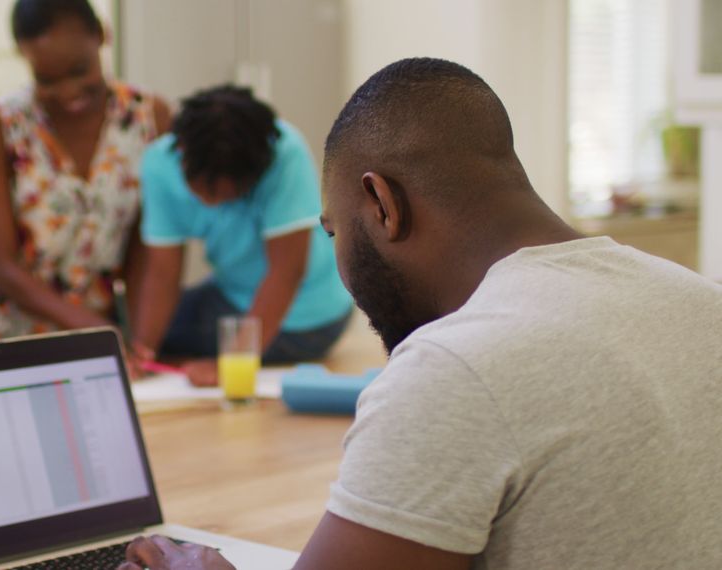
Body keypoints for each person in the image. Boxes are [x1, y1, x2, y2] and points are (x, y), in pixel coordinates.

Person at [120, 58, 722, 569]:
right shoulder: (703, 301)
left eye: (333, 231)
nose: (338, 259)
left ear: (382, 204)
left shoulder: (455, 369)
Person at [0, 0, 171, 341]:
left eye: (79, 70)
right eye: (46, 79)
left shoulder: (148, 118)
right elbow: (4, 266)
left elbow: (143, 248)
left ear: (101, 35)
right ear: (23, 54)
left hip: (90, 336)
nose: (68, 92)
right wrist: (95, 330)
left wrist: (139, 342)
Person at [131, 85, 353, 385]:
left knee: (176, 335)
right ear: (181, 154)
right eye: (207, 187)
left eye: (232, 190)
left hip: (311, 316)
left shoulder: (285, 151)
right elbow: (161, 275)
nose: (218, 198)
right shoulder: (159, 164)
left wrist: (234, 364)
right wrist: (142, 354)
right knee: (140, 329)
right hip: (231, 293)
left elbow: (286, 273)